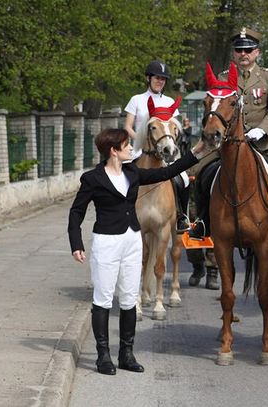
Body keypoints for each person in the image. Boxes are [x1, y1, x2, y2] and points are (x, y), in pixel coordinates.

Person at [68, 128, 209, 375]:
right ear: (113, 151)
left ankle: (126, 354)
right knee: (103, 298)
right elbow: (76, 212)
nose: (131, 149)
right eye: (126, 145)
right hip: (106, 241)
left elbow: (165, 172)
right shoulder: (92, 178)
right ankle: (103, 356)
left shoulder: (132, 172)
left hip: (132, 240)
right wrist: (76, 244)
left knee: (129, 298)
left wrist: (195, 153)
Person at [188, 27, 268, 242]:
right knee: (201, 173)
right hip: (227, 141)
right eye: (239, 50)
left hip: (263, 140)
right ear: (233, 54)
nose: (243, 54)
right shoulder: (223, 77)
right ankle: (203, 221)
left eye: (248, 50)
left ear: (257, 52)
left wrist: (262, 129)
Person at [124, 60, 191, 233]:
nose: (160, 81)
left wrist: (169, 143)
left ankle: (182, 217)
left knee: (183, 179)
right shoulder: (136, 100)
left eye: (163, 79)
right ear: (148, 78)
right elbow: (128, 127)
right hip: (140, 150)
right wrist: (141, 141)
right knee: (123, 179)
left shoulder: (169, 101)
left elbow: (174, 128)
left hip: (166, 151)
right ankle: (122, 214)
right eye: (157, 78)